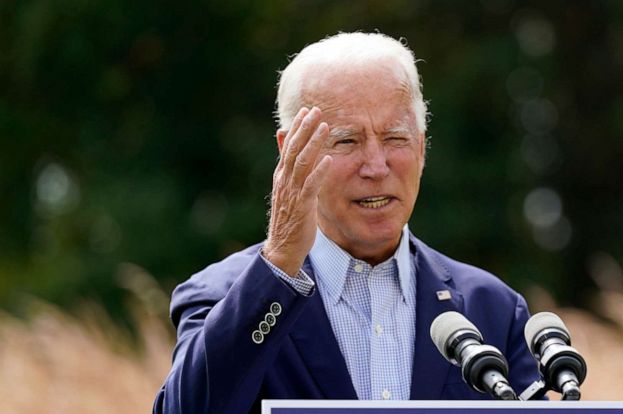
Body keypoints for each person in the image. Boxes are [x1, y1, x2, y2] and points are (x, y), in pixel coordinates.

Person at [153, 32, 540, 414]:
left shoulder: (493, 308)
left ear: (422, 148)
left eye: (395, 138)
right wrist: (279, 265)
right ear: (290, 152)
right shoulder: (223, 295)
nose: (375, 166)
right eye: (346, 142)